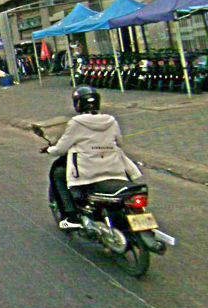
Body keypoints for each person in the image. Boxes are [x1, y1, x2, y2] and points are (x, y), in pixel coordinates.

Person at [41, 86, 141, 229]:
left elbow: (61, 149)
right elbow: (120, 142)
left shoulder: (76, 123)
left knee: (57, 173)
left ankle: (71, 217)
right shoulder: (111, 120)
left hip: (88, 170)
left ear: (78, 104)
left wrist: (49, 150)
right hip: (113, 166)